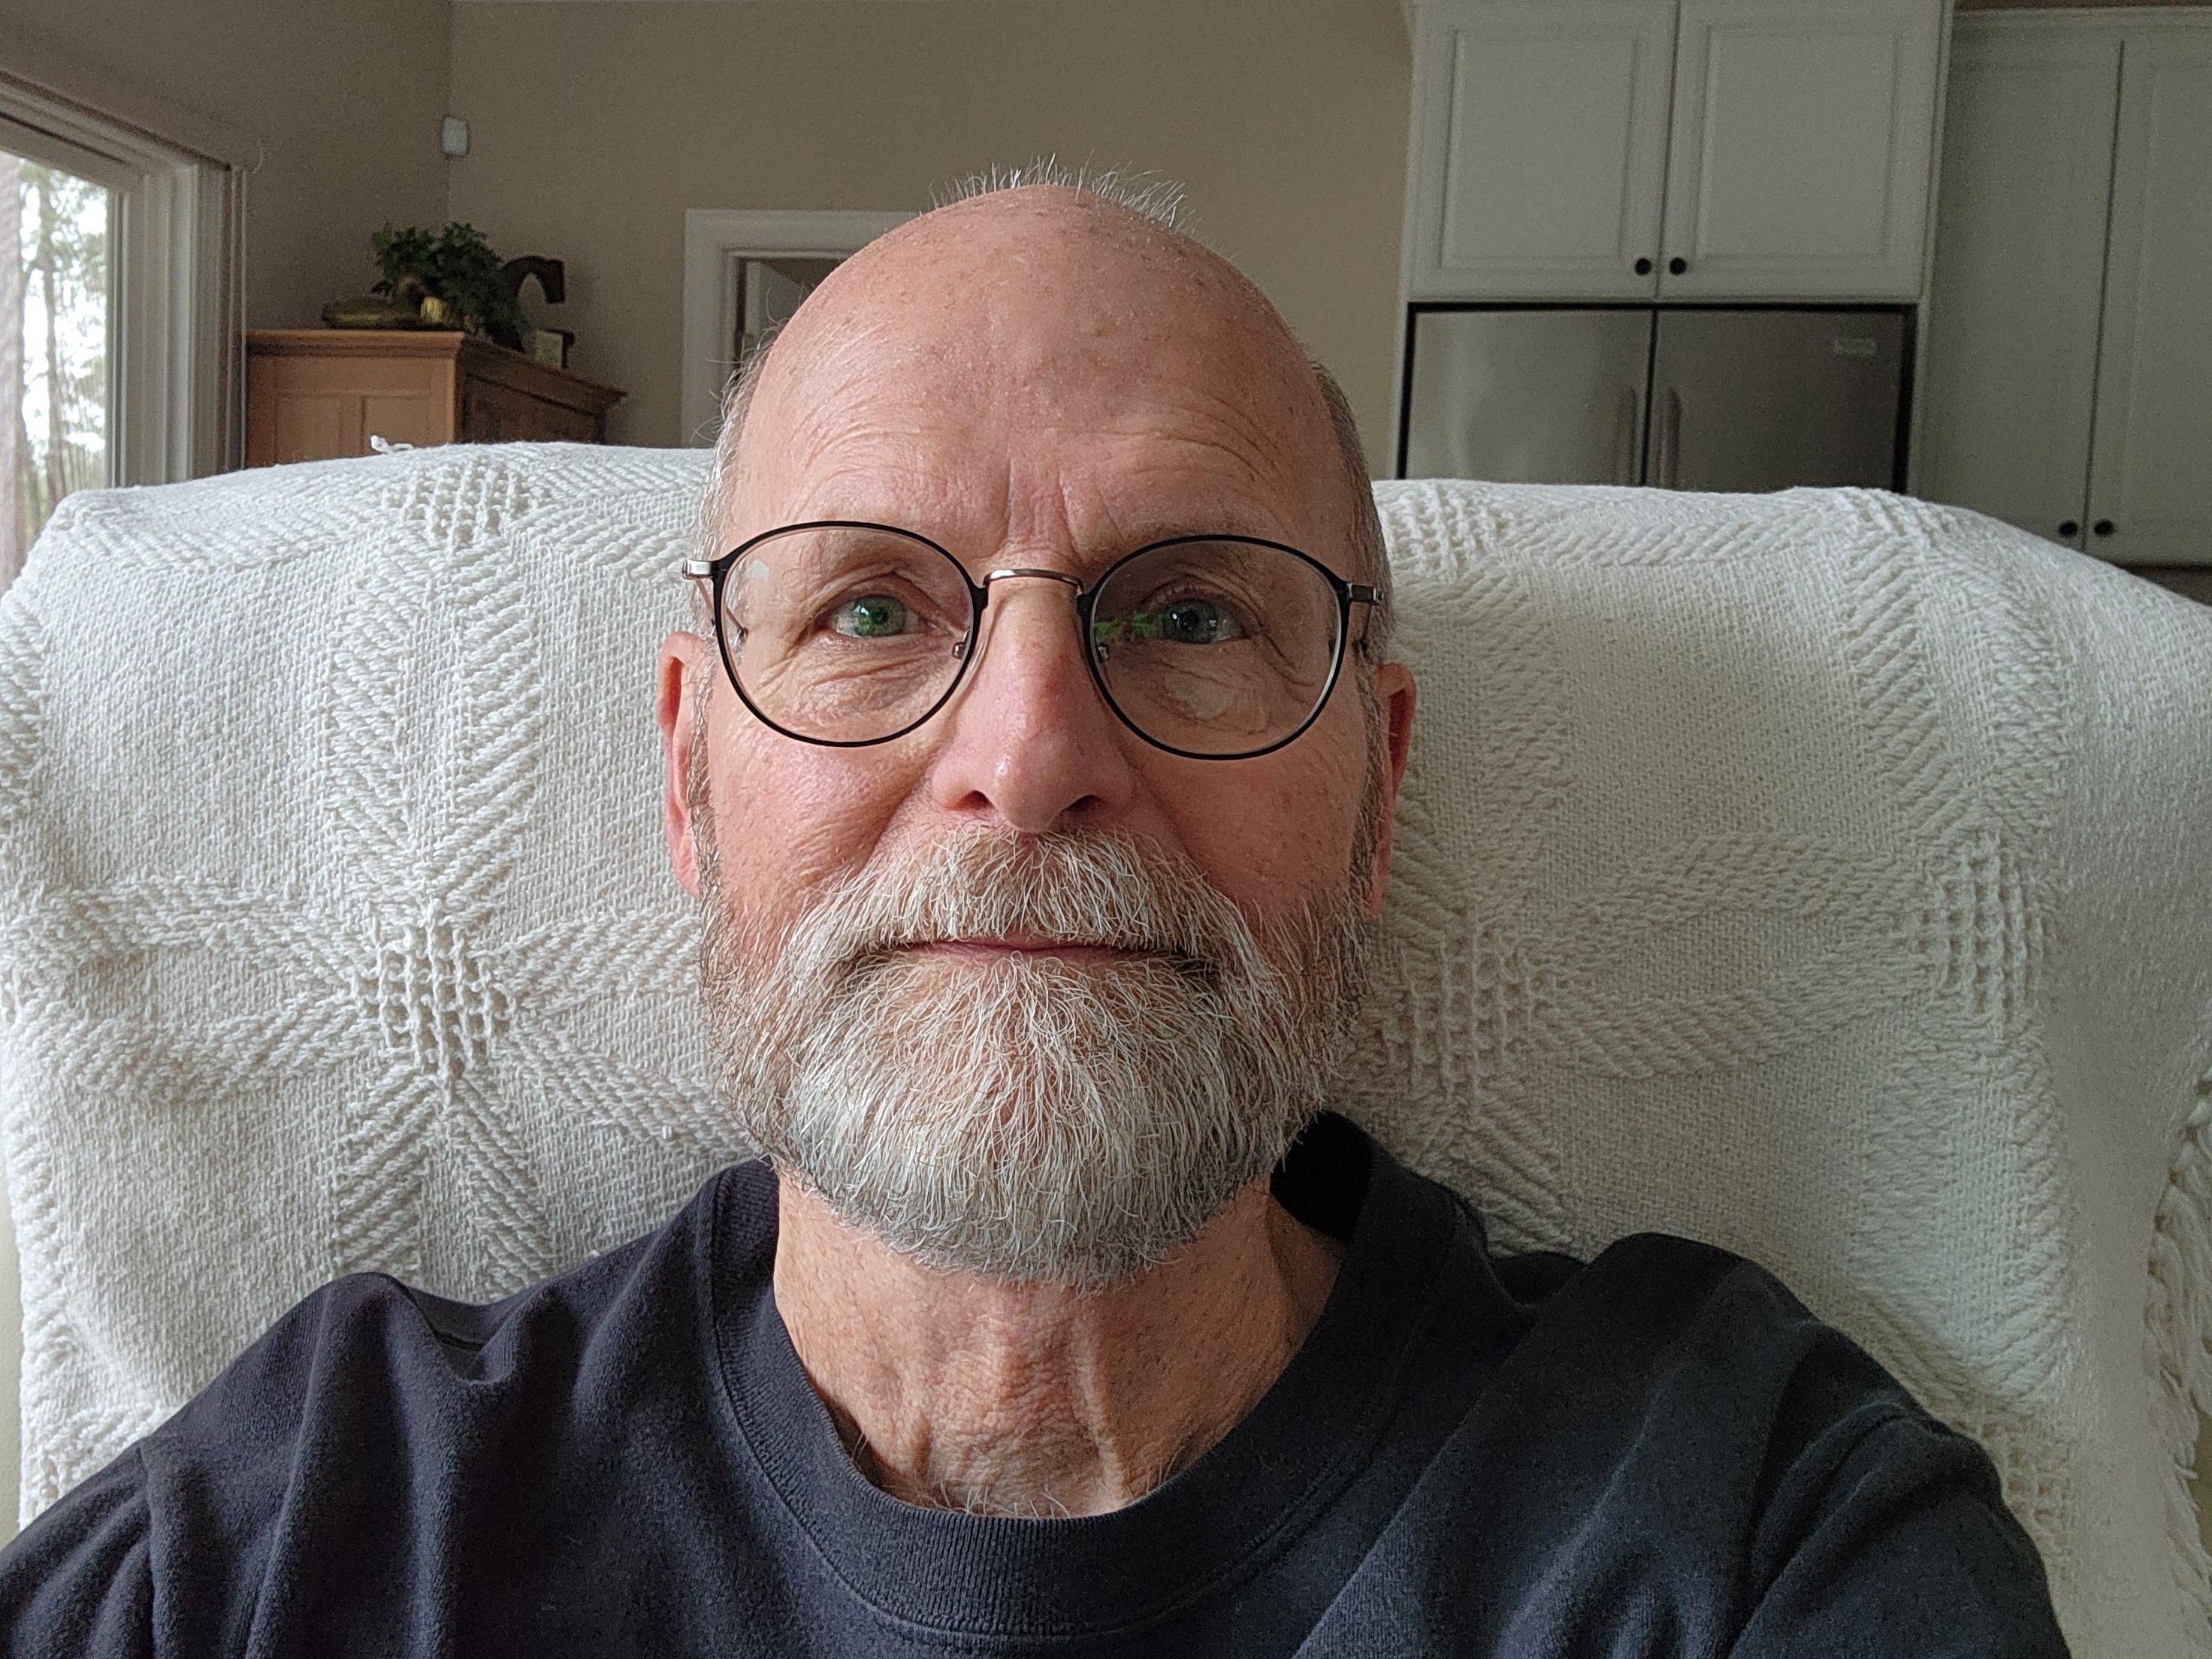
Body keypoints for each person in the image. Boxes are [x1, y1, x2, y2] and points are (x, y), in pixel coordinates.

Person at [0, 174, 2066, 1657]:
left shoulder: (1745, 1524)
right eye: (869, 608)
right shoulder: (315, 1524)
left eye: (1192, 615)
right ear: (691, 776)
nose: (1030, 749)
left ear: (1376, 792)